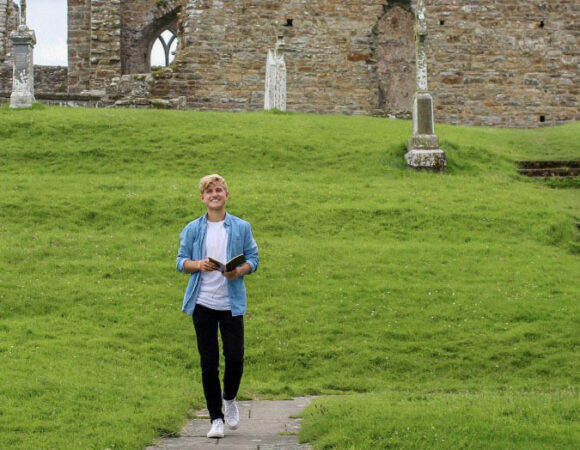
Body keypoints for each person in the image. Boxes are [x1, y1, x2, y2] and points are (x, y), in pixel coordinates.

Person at [176, 174, 259, 439]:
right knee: (208, 362)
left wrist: (239, 271)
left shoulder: (241, 227)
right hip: (203, 303)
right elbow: (180, 261)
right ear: (202, 198)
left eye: (219, 190)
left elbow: (253, 259)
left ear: (227, 195)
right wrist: (198, 264)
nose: (214, 194)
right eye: (209, 191)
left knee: (235, 358)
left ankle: (230, 398)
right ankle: (216, 418)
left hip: (231, 304)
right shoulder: (192, 229)